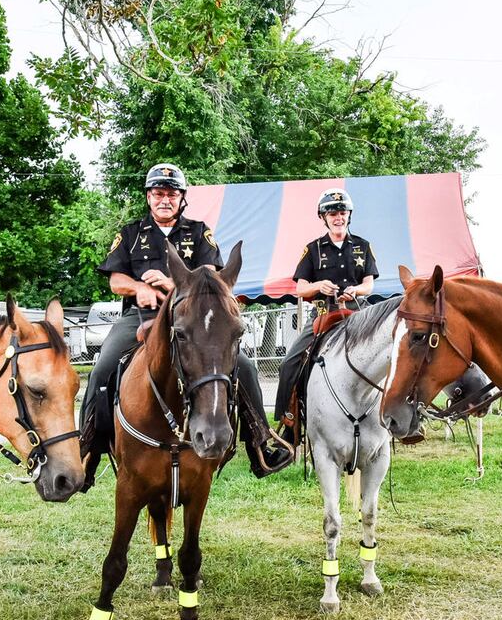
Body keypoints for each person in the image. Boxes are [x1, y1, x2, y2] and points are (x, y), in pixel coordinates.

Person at [77, 163, 292, 489]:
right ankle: (88, 450)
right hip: (140, 315)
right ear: (149, 197)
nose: (165, 199)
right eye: (159, 193)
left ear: (181, 199)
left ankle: (259, 444)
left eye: (171, 194)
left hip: (190, 321)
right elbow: (116, 279)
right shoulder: (132, 234)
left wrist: (172, 282)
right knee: (103, 367)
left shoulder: (198, 231)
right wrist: (139, 288)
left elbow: (210, 274)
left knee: (244, 367)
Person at [274, 188, 379, 426]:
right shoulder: (312, 249)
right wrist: (319, 285)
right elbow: (301, 289)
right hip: (322, 313)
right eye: (331, 213)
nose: (337, 217)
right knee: (289, 362)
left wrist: (356, 290)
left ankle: (399, 418)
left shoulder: (363, 246)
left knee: (388, 352)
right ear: (323, 218)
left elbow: (368, 285)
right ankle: (287, 420)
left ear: (349, 215)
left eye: (341, 212)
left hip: (357, 312)